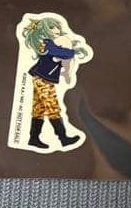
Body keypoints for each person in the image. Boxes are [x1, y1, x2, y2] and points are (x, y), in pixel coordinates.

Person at [21, 14, 90, 150]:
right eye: (52, 27)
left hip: (40, 77)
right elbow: (63, 53)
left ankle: (33, 138)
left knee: (39, 109)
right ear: (45, 30)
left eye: (57, 27)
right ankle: (63, 138)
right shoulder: (47, 43)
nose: (57, 29)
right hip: (43, 79)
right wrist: (72, 51)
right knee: (52, 108)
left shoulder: (49, 43)